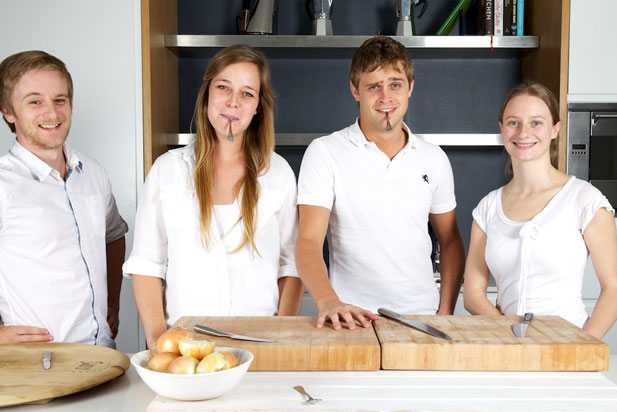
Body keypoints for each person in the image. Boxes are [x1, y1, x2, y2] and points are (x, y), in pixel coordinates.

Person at [124, 45, 303, 348]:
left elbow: (292, 267)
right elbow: (146, 264)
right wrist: (158, 344)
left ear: (258, 107)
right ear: (207, 94)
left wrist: (279, 338)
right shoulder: (167, 171)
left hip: (260, 342)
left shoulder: (279, 174)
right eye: (223, 87)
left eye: (247, 93)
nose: (233, 102)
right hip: (186, 346)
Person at [296, 36, 465, 330]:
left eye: (395, 85)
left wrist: (445, 312)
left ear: (410, 87)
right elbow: (308, 241)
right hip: (351, 317)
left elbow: (450, 240)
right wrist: (327, 300)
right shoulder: (324, 152)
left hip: (422, 317)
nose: (385, 97)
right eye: (373, 86)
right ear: (355, 90)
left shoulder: (433, 158)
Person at [463, 81, 617, 339]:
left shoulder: (585, 200)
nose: (524, 133)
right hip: (508, 349)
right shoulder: (488, 208)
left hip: (568, 346)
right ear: (502, 130)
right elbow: (472, 295)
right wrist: (513, 338)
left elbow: (613, 288)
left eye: (536, 123)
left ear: (555, 129)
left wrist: (580, 348)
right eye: (513, 122)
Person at [0, 50, 128, 346]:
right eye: (35, 102)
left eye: (60, 100)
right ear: (8, 111)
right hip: (39, 368)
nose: (53, 113)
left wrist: (113, 304)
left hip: (102, 357)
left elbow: (113, 235)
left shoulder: (93, 172)